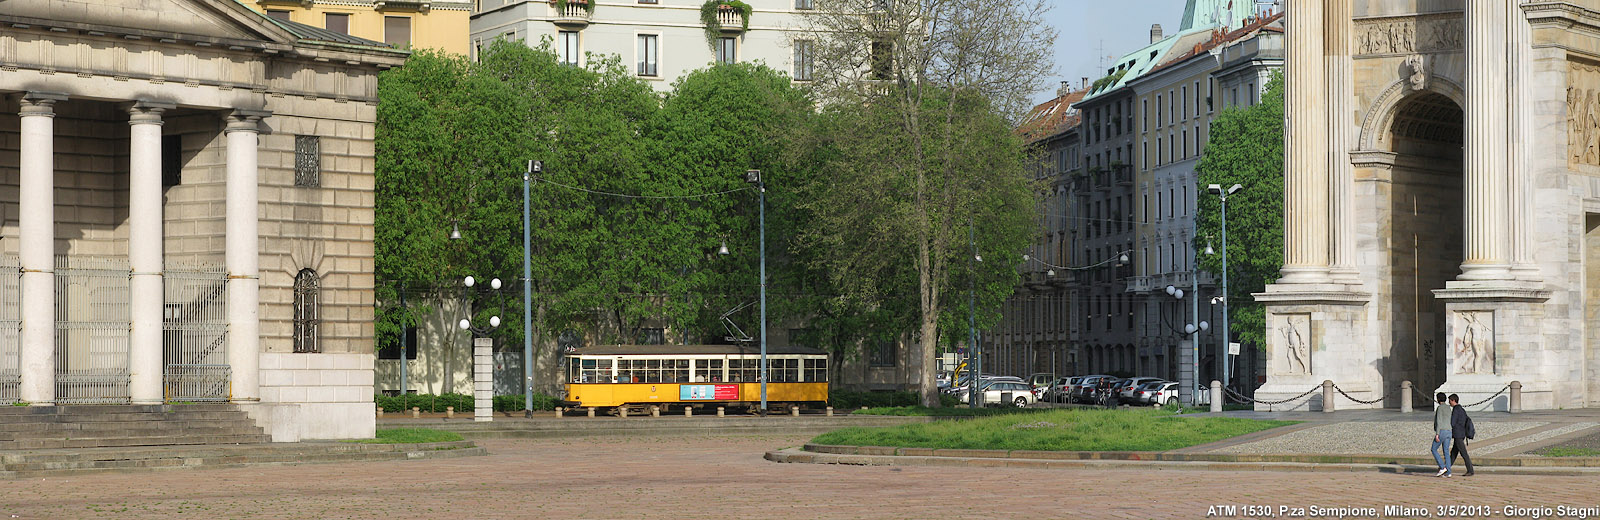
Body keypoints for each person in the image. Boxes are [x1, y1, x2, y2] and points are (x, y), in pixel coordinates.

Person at [1449, 394, 1476, 476]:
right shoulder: (1462, 409)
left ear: (1453, 400)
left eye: (1450, 401)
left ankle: (1470, 470)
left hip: (1458, 434)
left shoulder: (1455, 410)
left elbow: (1453, 422)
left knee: (1463, 453)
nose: (1449, 402)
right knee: (1454, 453)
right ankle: (1446, 467)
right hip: (1462, 433)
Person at [1430, 392, 1454, 477]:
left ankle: (1442, 467)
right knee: (1446, 451)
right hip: (1449, 430)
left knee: (1434, 449)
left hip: (1442, 431)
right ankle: (1448, 471)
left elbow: (1439, 421)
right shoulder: (1448, 408)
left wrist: (1437, 434)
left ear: (1438, 399)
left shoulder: (1440, 408)